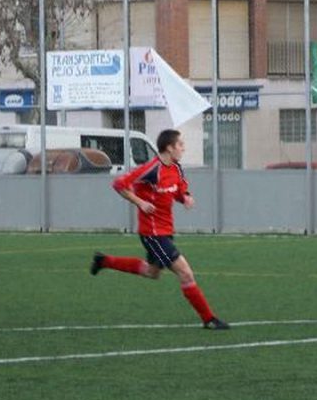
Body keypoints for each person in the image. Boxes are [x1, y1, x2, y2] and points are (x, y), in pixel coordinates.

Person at [90, 129, 229, 330]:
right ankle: (209, 319)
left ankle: (104, 261)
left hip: (165, 230)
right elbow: (119, 184)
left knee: (151, 272)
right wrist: (140, 202)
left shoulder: (177, 168)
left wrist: (186, 198)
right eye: (180, 145)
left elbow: (179, 189)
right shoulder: (151, 169)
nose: (183, 148)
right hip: (152, 233)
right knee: (186, 273)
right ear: (169, 148)